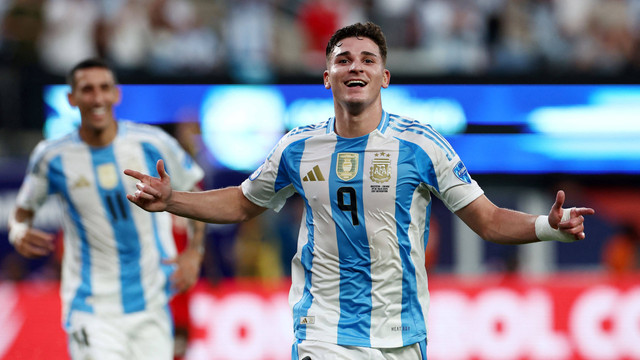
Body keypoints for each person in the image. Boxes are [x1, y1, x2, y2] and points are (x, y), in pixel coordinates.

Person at [125, 22, 595, 360]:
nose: (356, 67)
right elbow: (242, 202)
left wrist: (545, 227)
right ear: (327, 77)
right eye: (343, 59)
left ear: (384, 78)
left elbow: (488, 220)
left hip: (400, 335)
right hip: (322, 331)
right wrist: (172, 201)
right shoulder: (297, 147)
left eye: (368, 60)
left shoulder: (420, 146)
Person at [7, 58, 205, 360]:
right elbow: (22, 212)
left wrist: (195, 252)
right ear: (71, 99)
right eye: (87, 90)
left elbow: (194, 189)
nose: (97, 98)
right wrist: (18, 231)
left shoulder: (152, 143)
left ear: (116, 94)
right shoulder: (52, 157)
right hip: (91, 309)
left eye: (104, 88)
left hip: (152, 304)